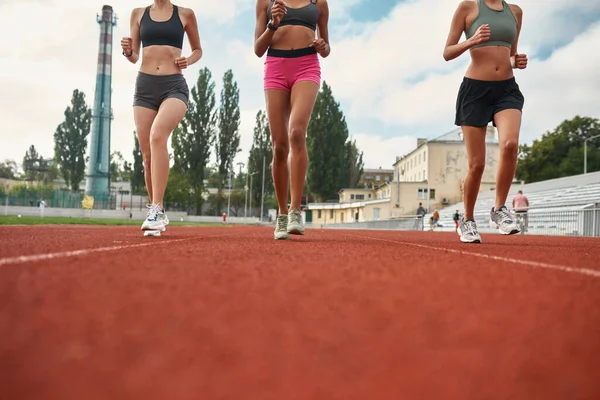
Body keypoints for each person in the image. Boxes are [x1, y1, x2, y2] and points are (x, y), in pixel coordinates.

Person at [443, 0, 527, 243]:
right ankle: (467, 221)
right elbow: (447, 52)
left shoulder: (516, 12)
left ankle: (499, 209)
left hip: (507, 91)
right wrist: (472, 40)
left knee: (510, 145)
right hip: (475, 92)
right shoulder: (468, 8)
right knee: (477, 164)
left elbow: (510, 55)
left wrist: (515, 61)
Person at [121, 0, 202, 236]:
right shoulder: (138, 14)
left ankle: (154, 210)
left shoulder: (185, 14)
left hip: (174, 86)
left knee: (158, 136)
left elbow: (198, 50)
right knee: (147, 156)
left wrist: (189, 59)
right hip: (144, 88)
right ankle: (159, 212)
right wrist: (127, 51)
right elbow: (134, 56)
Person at [254, 0, 330, 240]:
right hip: (275, 67)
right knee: (278, 147)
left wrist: (322, 46)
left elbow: (327, 48)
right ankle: (282, 214)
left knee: (297, 132)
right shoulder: (266, 2)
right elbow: (258, 49)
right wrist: (272, 25)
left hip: (307, 66)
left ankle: (296, 210)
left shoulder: (319, 3)